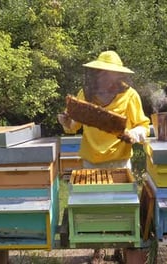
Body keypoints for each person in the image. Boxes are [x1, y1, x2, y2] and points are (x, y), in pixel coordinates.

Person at [57, 50, 150, 263]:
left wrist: (133, 134)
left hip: (119, 159)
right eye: (101, 72)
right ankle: (97, 248)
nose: (103, 76)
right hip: (91, 160)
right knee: (93, 207)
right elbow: (73, 126)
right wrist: (65, 121)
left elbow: (144, 126)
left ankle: (120, 245)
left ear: (118, 76)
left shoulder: (130, 95)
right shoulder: (85, 94)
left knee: (119, 208)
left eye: (108, 72)